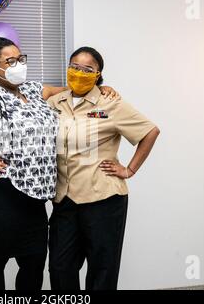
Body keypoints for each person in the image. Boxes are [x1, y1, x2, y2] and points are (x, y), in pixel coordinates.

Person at [0, 37, 117, 290]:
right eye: (10, 61)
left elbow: (71, 91)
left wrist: (102, 88)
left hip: (34, 194)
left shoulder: (33, 90)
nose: (18, 64)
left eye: (21, 59)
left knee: (33, 262)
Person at [46, 47, 161, 290]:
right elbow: (31, 93)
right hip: (64, 199)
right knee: (60, 267)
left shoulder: (110, 103)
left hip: (103, 199)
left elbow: (150, 131)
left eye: (87, 69)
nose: (79, 72)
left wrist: (129, 169)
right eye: (74, 66)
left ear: (98, 75)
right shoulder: (55, 102)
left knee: (102, 269)